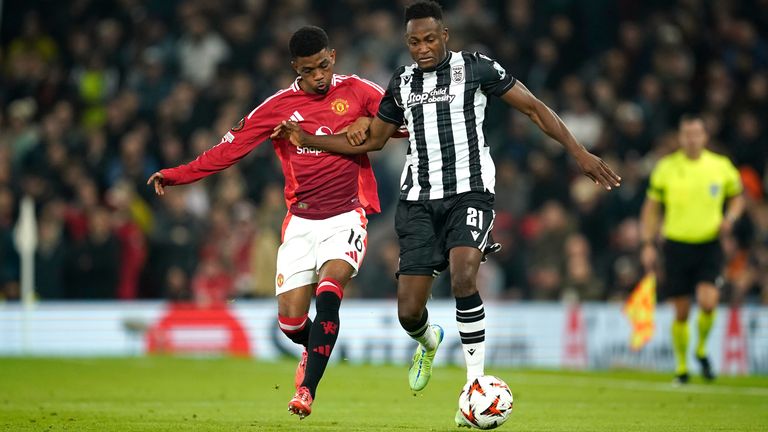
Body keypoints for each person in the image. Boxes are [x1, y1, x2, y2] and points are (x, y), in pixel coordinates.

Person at [272, 1, 621, 426]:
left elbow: (533, 107)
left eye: (430, 38)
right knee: (408, 312)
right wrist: (308, 138)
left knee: (463, 274)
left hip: (470, 193)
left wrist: (578, 153)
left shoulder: (475, 68)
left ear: (445, 35)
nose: (422, 48)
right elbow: (372, 141)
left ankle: (474, 386)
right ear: (407, 42)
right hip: (418, 201)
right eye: (414, 41)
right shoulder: (401, 83)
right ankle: (428, 340)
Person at [148, 26, 399, 418]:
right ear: (294, 68)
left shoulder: (357, 90)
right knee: (291, 322)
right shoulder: (278, 106)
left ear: (332, 57)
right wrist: (178, 175)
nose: (319, 76)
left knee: (330, 291)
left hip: (347, 215)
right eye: (309, 70)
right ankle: (308, 347)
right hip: (300, 223)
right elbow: (228, 150)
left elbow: (400, 122)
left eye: (323, 66)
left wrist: (372, 125)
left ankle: (306, 392)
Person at [640, 114, 745, 384]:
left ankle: (700, 349)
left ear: (705, 136)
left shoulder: (720, 167)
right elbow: (651, 209)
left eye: (696, 133)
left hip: (709, 244)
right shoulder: (666, 167)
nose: (692, 139)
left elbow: (738, 198)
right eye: (687, 133)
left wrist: (729, 219)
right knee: (682, 311)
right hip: (676, 245)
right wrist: (648, 244)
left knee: (709, 302)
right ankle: (682, 367)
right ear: (680, 136)